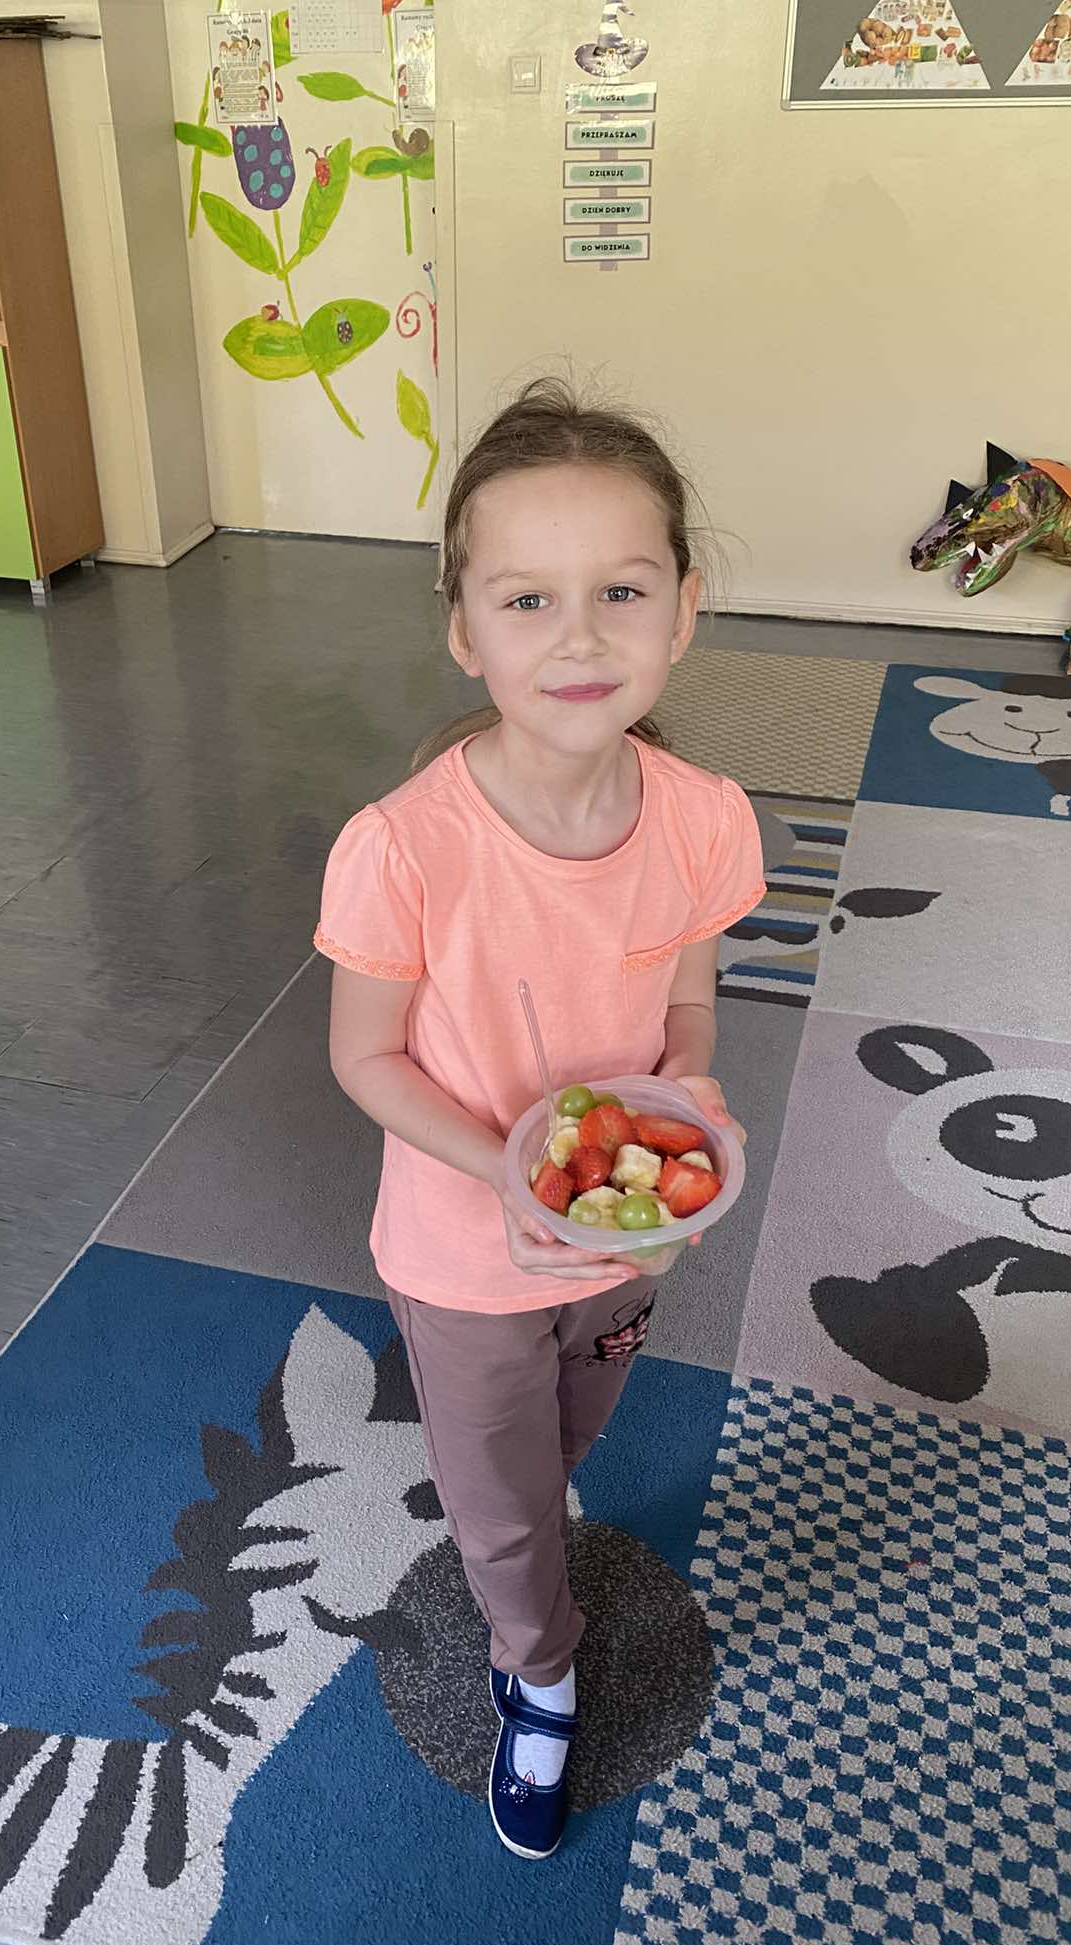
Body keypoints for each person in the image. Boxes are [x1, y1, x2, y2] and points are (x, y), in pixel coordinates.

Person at [313, 378, 765, 1859]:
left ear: (684, 610)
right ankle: (539, 1668)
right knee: (502, 1505)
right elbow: (368, 1057)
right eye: (527, 599)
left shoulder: (705, 818)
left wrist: (689, 1100)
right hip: (463, 1251)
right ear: (464, 627)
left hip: (619, 1239)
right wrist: (505, 1171)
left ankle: (530, 1536)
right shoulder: (403, 848)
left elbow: (687, 1011)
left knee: (572, 1429)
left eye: (621, 591)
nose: (579, 638)